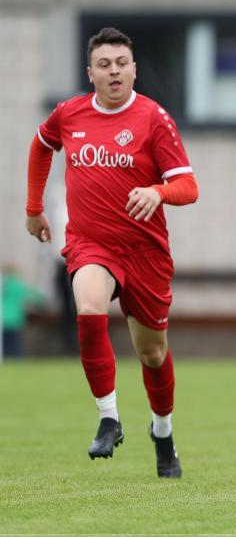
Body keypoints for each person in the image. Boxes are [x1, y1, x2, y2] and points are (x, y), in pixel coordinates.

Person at [25, 28, 198, 477]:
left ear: (134, 69)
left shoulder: (153, 119)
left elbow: (189, 186)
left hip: (145, 252)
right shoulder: (70, 114)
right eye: (105, 64)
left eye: (122, 62)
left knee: (153, 354)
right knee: (88, 306)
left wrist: (159, 192)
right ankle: (108, 418)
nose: (114, 70)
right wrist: (33, 208)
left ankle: (162, 432)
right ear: (91, 73)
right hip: (91, 244)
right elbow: (41, 145)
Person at [1, 264, 44, 357]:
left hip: (2, 320)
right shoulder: (18, 285)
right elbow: (36, 299)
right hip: (15, 320)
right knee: (13, 346)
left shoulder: (3, 285)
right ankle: (15, 365)